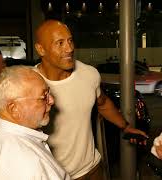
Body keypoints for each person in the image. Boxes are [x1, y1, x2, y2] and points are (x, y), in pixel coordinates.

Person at [33, 19, 148, 179]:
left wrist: (125, 126)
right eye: (60, 43)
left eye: (70, 40)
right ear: (41, 49)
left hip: (92, 169)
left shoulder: (88, 73)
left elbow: (103, 103)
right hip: (53, 175)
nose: (70, 48)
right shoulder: (29, 85)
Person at [0, 65, 70, 180]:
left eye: (48, 91)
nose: (52, 100)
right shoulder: (26, 164)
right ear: (14, 109)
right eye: (44, 96)